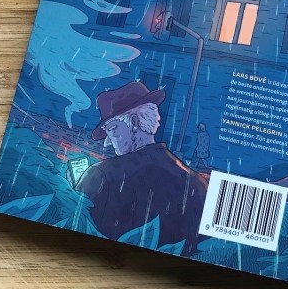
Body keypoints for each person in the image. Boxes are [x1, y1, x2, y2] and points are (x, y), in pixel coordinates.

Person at [75, 81, 208, 256]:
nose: (107, 142)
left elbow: (75, 225)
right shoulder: (198, 184)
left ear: (135, 122)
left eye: (113, 129)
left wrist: (79, 186)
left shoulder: (102, 175)